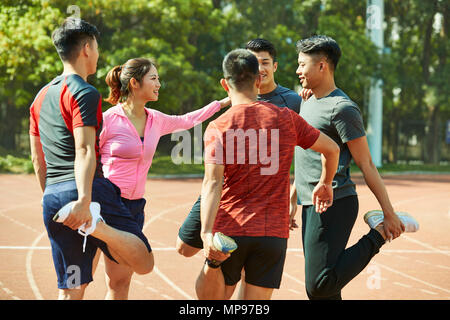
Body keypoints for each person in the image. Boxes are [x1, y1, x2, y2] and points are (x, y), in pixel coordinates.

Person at [195, 48, 340, 300]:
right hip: (272, 232)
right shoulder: (287, 118)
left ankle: (213, 263)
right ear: (259, 80)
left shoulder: (219, 126)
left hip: (231, 229)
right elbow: (332, 149)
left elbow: (212, 182)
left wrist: (206, 232)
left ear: (224, 84)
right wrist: (325, 182)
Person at [29, 17, 153, 300]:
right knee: (144, 261)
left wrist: (52, 195)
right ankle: (99, 227)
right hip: (88, 194)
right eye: (96, 47)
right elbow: (84, 149)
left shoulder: (40, 97)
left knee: (72, 287)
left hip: (54, 198)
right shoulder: (84, 92)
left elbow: (38, 159)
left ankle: (93, 223)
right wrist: (84, 202)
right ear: (86, 48)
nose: (98, 54)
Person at [290, 35, 418, 300]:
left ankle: (379, 233)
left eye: (302, 65)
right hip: (310, 202)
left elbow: (367, 164)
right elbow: (306, 158)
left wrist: (389, 213)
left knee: (318, 285)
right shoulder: (308, 100)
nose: (297, 70)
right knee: (326, 290)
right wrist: (293, 197)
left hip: (335, 201)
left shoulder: (343, 108)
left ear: (322, 65)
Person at [97, 57, 230, 300]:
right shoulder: (108, 119)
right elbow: (86, 155)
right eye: (154, 78)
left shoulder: (155, 119)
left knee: (119, 281)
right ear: (135, 83)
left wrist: (222, 103)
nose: (159, 83)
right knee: (83, 277)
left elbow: (188, 120)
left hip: (134, 207)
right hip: (105, 203)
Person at [176, 38, 304, 258]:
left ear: (274, 66)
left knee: (247, 263)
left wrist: (293, 197)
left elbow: (306, 151)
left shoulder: (293, 102)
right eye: (254, 63)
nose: (260, 68)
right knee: (184, 247)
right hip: (224, 184)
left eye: (265, 62)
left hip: (264, 194)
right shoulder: (233, 96)